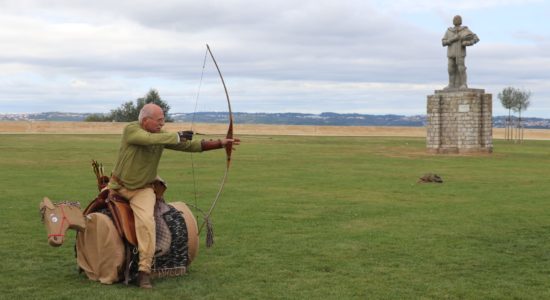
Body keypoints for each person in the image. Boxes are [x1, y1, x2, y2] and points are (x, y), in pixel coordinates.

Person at [107, 103, 240, 288]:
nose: (162, 124)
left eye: (163, 120)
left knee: (146, 222)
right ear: (145, 120)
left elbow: (189, 145)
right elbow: (147, 139)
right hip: (118, 187)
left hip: (142, 189)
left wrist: (219, 143)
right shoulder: (131, 129)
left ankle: (144, 271)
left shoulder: (162, 135)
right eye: (159, 120)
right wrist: (176, 136)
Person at [442, 15, 479, 89]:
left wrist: (468, 43)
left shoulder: (465, 30)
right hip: (451, 53)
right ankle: (451, 84)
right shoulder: (449, 30)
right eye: (454, 19)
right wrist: (452, 39)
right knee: (450, 69)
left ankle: (463, 84)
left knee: (461, 68)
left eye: (457, 19)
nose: (455, 20)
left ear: (460, 21)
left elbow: (476, 38)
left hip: (460, 53)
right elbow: (443, 42)